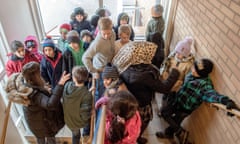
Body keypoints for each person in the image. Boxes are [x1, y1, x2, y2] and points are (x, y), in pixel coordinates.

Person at [156, 58, 239, 142]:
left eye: (196, 71)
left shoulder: (204, 85)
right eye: (194, 68)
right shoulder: (192, 74)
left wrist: (226, 101)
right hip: (178, 100)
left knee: (175, 121)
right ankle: (178, 132)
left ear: (202, 74)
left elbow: (212, 94)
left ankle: (171, 133)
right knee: (165, 113)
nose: (193, 71)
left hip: (185, 108)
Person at [113, 41, 180, 144]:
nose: (152, 56)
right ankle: (137, 137)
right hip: (142, 104)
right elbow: (164, 88)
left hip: (130, 102)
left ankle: (136, 136)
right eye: (150, 54)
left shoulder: (124, 65)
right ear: (143, 57)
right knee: (142, 122)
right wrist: (175, 72)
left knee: (132, 123)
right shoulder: (145, 76)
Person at [6, 61, 70, 144]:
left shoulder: (24, 84)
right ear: (34, 76)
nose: (41, 73)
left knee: (40, 138)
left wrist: (47, 91)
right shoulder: (34, 94)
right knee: (50, 138)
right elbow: (50, 104)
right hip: (42, 123)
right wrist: (60, 84)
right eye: (38, 72)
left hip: (34, 122)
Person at [82, 17, 116, 102]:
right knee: (100, 91)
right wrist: (93, 71)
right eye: (104, 33)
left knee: (111, 88)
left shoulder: (113, 34)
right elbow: (85, 58)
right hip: (100, 68)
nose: (106, 36)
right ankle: (99, 108)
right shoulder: (97, 43)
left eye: (108, 33)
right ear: (99, 30)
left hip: (109, 64)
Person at [62, 66, 92, 144]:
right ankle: (85, 136)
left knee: (75, 134)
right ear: (86, 78)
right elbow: (85, 115)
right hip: (78, 122)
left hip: (68, 119)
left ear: (74, 78)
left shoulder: (67, 85)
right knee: (77, 134)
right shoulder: (87, 94)